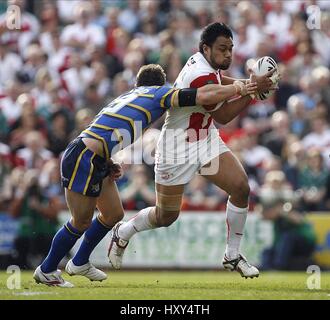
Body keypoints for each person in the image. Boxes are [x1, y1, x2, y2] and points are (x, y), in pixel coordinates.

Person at [33, 63, 258, 287]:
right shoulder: (159, 93)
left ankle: (80, 261)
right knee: (80, 221)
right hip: (85, 157)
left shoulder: (130, 95)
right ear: (160, 85)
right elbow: (203, 94)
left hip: (95, 154)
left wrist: (108, 160)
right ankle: (47, 269)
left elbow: (104, 128)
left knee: (113, 214)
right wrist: (243, 88)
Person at [108, 23, 278, 278]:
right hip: (177, 147)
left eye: (231, 49)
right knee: (166, 216)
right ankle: (124, 232)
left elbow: (224, 84)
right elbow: (222, 114)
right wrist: (251, 90)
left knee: (241, 187)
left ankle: (232, 254)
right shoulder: (199, 72)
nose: (228, 55)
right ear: (205, 48)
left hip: (204, 138)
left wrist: (251, 85)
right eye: (223, 49)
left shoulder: (208, 64)